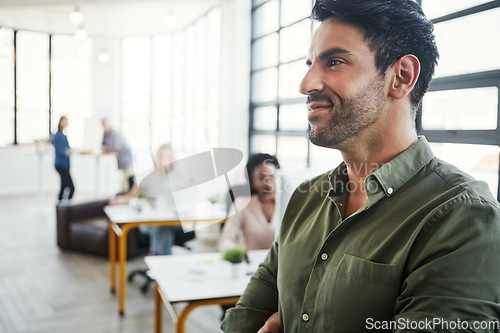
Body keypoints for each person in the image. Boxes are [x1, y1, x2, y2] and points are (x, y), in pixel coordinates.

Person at [221, 1, 500, 332]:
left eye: (334, 62)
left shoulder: (462, 218)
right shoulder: (304, 199)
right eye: (310, 63)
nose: (306, 83)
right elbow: (249, 313)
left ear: (402, 76)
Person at [218, 153, 280, 252]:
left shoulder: (287, 204)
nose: (269, 185)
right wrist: (234, 253)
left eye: (272, 177)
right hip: (251, 265)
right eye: (262, 178)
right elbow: (226, 239)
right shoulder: (241, 204)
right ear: (252, 181)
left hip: (281, 266)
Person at [101, 118, 135, 194]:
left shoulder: (115, 133)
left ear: (109, 124)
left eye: (105, 124)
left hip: (128, 160)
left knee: (126, 181)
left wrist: (108, 151)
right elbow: (103, 146)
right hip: (121, 162)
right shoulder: (105, 134)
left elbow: (117, 150)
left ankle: (127, 198)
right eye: (102, 125)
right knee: (124, 182)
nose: (104, 126)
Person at [52, 116, 75, 203]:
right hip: (60, 164)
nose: (66, 123)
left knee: (64, 186)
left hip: (65, 165)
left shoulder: (64, 135)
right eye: (64, 121)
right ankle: (67, 207)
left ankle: (60, 206)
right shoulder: (57, 136)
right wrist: (66, 152)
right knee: (71, 188)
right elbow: (59, 149)